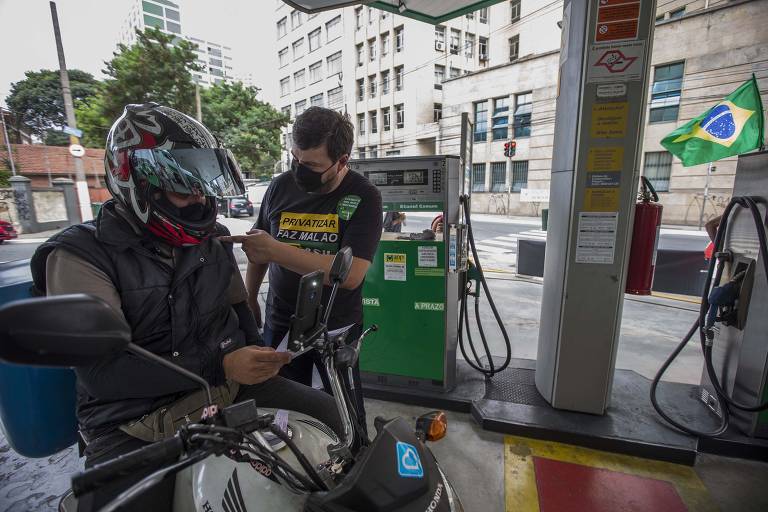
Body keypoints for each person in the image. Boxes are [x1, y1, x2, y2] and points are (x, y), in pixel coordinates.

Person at [30, 104, 342, 511]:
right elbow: (101, 375)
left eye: (202, 186)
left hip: (227, 391)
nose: (199, 199)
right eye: (183, 188)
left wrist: (259, 356)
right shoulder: (80, 256)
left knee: (331, 422)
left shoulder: (210, 238)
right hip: (132, 421)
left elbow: (240, 309)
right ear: (136, 182)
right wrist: (221, 365)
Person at [222, 106, 383, 427]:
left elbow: (350, 275)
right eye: (295, 159)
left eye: (311, 165)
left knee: (340, 415)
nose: (300, 170)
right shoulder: (280, 186)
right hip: (281, 324)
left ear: (342, 161)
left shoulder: (364, 197)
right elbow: (259, 247)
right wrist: (250, 298)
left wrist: (277, 250)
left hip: (334, 330)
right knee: (281, 414)